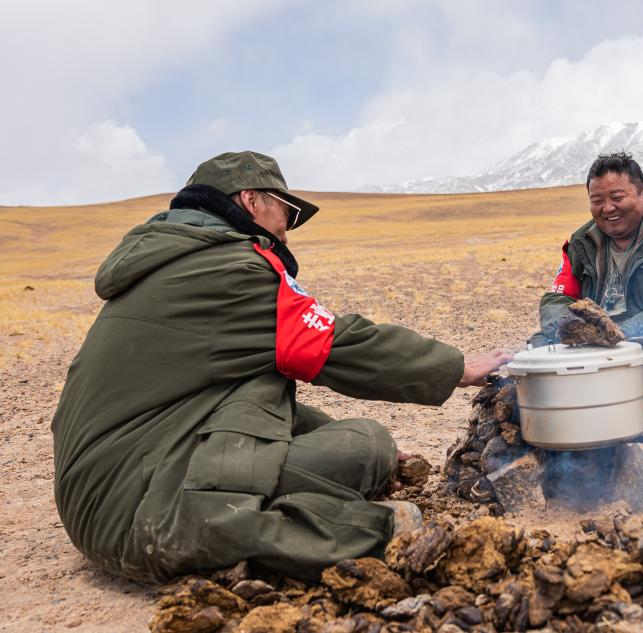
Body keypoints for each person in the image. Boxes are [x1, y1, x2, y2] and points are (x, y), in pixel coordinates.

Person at [51, 151, 510, 583]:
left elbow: (247, 396)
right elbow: (336, 343)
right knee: (367, 447)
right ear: (251, 199)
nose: (288, 230)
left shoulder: (173, 266)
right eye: (285, 213)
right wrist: (455, 367)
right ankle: (370, 533)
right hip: (139, 512)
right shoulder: (229, 271)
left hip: (109, 485)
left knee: (349, 441)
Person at [534, 152, 643, 359]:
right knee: (540, 345)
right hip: (598, 341)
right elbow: (558, 297)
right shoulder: (581, 242)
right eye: (597, 200)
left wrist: (620, 331)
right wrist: (574, 327)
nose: (608, 208)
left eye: (617, 198)